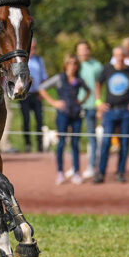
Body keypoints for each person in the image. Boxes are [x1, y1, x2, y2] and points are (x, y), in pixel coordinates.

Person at [94, 46, 129, 183]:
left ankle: (120, 172)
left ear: (125, 56)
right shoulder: (108, 69)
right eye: (117, 55)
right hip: (110, 111)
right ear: (114, 56)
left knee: (124, 143)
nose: (119, 58)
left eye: (121, 55)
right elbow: (98, 84)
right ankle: (101, 173)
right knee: (106, 143)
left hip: (126, 111)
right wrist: (99, 102)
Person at [40, 54, 89, 185]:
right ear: (66, 64)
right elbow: (42, 88)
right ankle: (60, 172)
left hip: (76, 114)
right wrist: (53, 102)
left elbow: (88, 91)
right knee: (61, 143)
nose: (72, 66)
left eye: (75, 63)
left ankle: (76, 172)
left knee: (75, 143)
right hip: (63, 114)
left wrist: (81, 101)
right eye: (70, 63)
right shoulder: (59, 78)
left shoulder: (79, 79)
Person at [75, 40, 103, 179]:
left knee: (92, 136)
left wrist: (99, 104)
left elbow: (99, 86)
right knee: (74, 137)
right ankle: (75, 168)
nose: (83, 52)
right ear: (77, 51)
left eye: (86, 49)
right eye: (80, 49)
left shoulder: (97, 66)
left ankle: (92, 166)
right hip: (76, 105)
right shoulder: (74, 65)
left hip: (91, 105)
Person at [20, 37, 48, 152]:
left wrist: (43, 92)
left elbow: (44, 78)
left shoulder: (40, 60)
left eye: (34, 47)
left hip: (37, 94)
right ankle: (28, 144)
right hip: (25, 95)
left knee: (39, 120)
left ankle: (40, 144)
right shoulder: (22, 60)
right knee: (26, 120)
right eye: (30, 47)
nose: (32, 49)